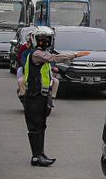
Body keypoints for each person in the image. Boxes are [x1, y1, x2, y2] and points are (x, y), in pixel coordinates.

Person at [23, 26, 89, 166]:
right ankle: (36, 156)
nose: (44, 42)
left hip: (41, 96)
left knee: (41, 126)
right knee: (35, 127)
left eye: (46, 40)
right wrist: (75, 55)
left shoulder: (41, 55)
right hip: (33, 96)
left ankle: (40, 153)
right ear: (35, 40)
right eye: (42, 40)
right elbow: (54, 57)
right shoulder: (37, 54)